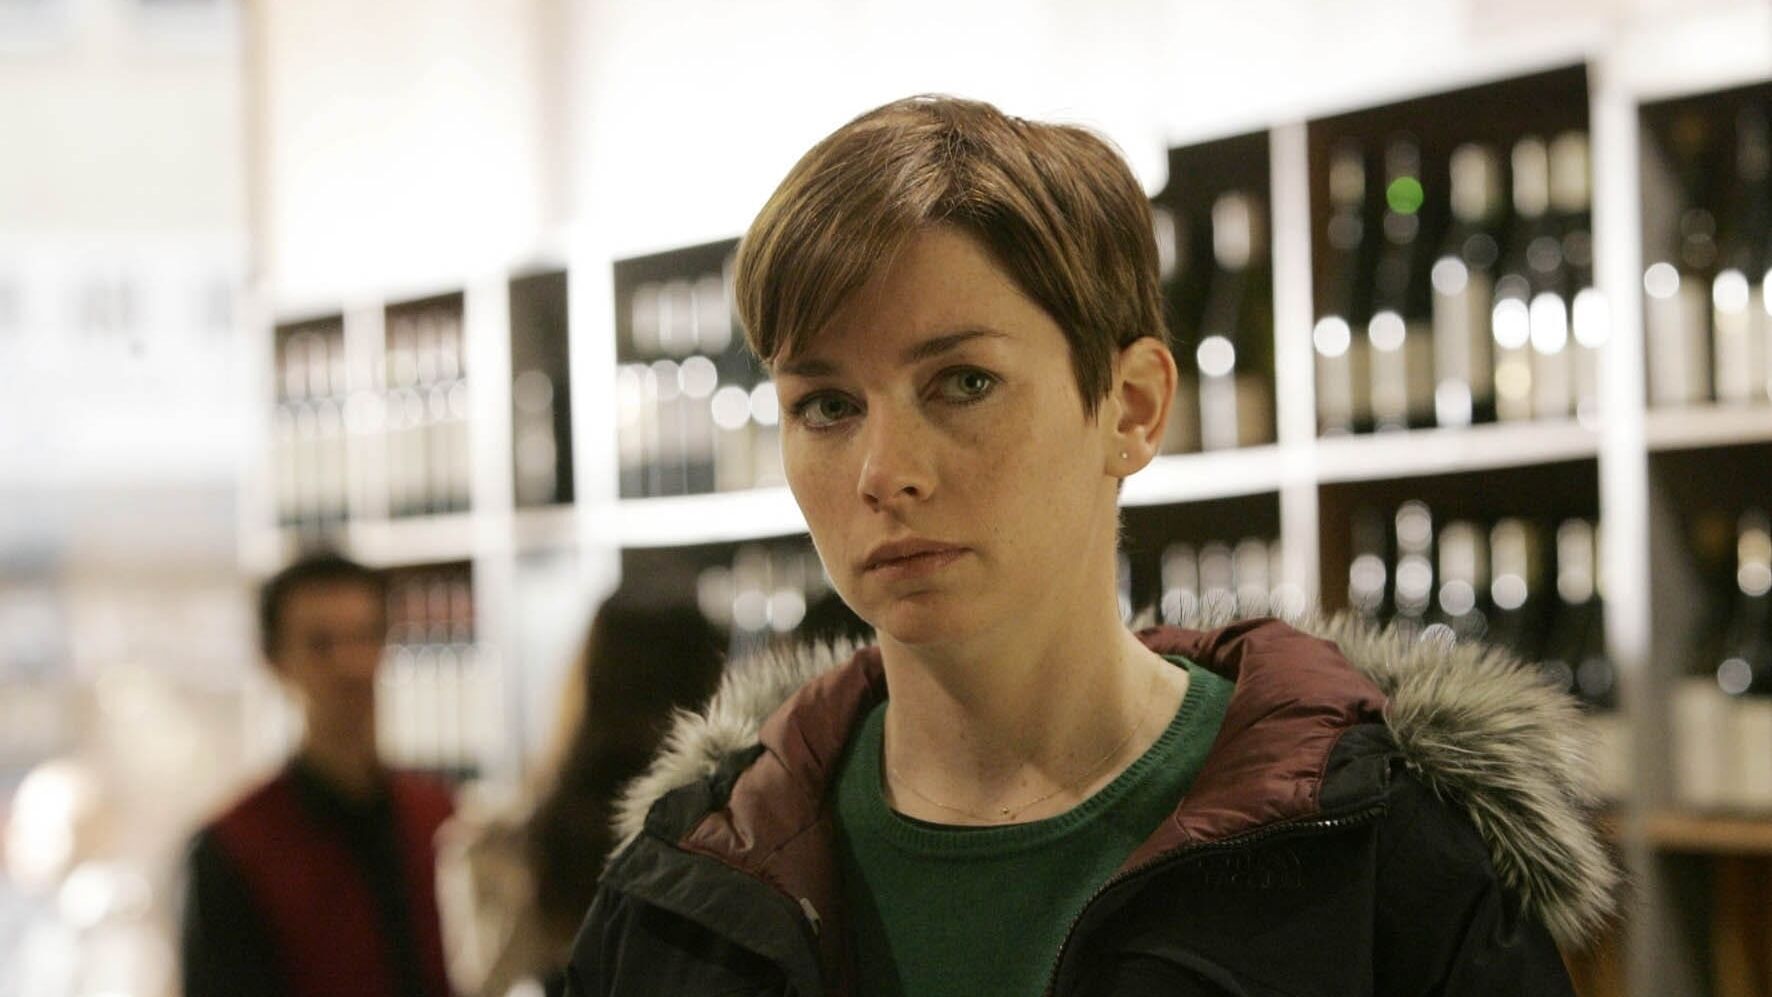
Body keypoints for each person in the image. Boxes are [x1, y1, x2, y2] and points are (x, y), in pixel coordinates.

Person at [567, 96, 1618, 996]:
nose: (885, 470)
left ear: (1131, 407)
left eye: (962, 383)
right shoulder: (692, 885)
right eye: (827, 404)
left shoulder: (1375, 849)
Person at [180, 552, 454, 997]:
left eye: (365, 637)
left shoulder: (437, 817)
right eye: (321, 644)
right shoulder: (236, 848)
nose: (351, 665)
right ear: (275, 661)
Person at [436, 586, 727, 997]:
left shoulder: (508, 849)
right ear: (711, 688)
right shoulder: (742, 837)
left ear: (587, 683)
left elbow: (491, 983)